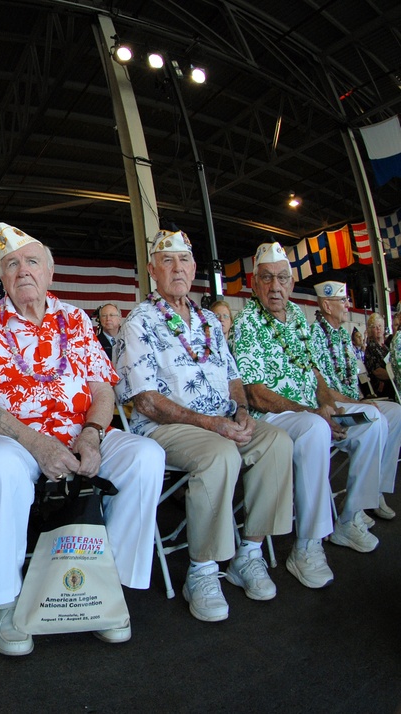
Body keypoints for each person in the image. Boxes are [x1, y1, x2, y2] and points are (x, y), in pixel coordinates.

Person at [0, 222, 164, 655]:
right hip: (12, 438)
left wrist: (92, 434)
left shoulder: (77, 321)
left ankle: (109, 586)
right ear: (2, 277)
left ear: (50, 271)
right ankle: (9, 600)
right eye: (12, 264)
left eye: (31, 261)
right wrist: (38, 444)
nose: (22, 270)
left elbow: (103, 387)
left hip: (79, 431)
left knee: (146, 455)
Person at [114, 229, 293, 622]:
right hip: (167, 427)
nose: (177, 269)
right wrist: (211, 424)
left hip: (222, 420)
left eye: (184, 262)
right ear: (152, 271)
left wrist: (242, 411)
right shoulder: (138, 322)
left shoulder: (209, 319)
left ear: (194, 268)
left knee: (276, 441)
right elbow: (144, 400)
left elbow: (233, 378)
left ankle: (249, 553)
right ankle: (203, 569)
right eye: (167, 262)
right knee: (220, 453)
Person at [232, 242, 385, 589]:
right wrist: (313, 412)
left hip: (311, 413)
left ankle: (349, 519)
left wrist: (335, 403)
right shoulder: (247, 322)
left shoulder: (298, 318)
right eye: (267, 278)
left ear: (291, 281)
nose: (275, 287)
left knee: (373, 421)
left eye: (283, 278)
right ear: (255, 284)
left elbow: (313, 373)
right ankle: (307, 546)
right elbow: (255, 391)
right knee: (316, 429)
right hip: (273, 417)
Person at [309, 280, 400, 521]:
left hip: (350, 400)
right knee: (374, 417)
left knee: (396, 413)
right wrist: (358, 402)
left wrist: (361, 399)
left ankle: (375, 491)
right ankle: (353, 513)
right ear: (327, 306)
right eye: (343, 300)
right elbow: (324, 388)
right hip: (334, 406)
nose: (348, 305)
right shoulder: (315, 336)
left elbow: (350, 379)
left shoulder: (342, 335)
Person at [364, 313, 394, 399]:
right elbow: (377, 372)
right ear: (370, 330)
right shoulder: (370, 348)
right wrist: (395, 376)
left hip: (391, 381)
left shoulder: (385, 346)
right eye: (374, 327)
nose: (378, 329)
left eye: (380, 325)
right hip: (383, 386)